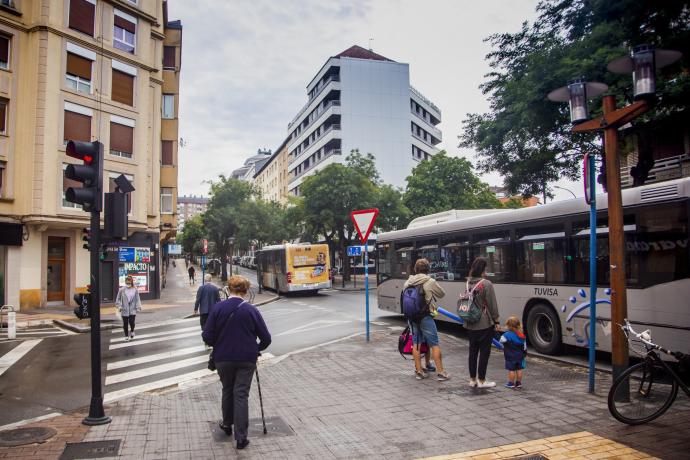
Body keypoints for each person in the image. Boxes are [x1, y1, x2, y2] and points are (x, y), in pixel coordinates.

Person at [202, 276, 271, 450]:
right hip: (246, 359)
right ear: (246, 291)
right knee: (241, 394)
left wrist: (219, 343)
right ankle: (241, 438)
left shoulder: (218, 308)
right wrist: (256, 348)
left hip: (223, 358)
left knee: (227, 389)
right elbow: (266, 338)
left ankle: (226, 424)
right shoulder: (251, 310)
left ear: (229, 289)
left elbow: (207, 336)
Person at [403, 258, 449, 381]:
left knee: (416, 344)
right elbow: (442, 294)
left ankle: (419, 371)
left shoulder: (408, 282)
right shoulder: (430, 281)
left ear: (415, 269)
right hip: (425, 316)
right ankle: (441, 373)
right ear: (428, 269)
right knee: (434, 344)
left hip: (412, 317)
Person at [465, 257, 500, 388]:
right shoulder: (486, 284)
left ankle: (472, 379)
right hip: (484, 323)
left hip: (470, 322)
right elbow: (492, 305)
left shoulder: (468, 283)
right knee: (484, 352)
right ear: (483, 269)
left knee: (472, 351)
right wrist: (496, 320)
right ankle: (482, 380)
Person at [500, 316, 527, 389]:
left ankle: (511, 383)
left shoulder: (506, 335)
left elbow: (501, 341)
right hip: (520, 356)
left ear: (508, 325)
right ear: (518, 325)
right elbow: (525, 347)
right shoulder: (521, 335)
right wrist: (524, 354)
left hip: (510, 356)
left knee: (511, 370)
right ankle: (518, 383)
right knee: (519, 369)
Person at [115, 275, 142, 342]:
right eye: (126, 283)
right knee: (125, 323)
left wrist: (138, 307)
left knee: (132, 322)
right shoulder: (122, 290)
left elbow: (137, 299)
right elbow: (118, 299)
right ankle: (126, 336)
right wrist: (119, 306)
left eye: (129, 283)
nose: (128, 284)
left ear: (131, 282)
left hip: (132, 309)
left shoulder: (135, 289)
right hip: (124, 309)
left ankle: (132, 331)